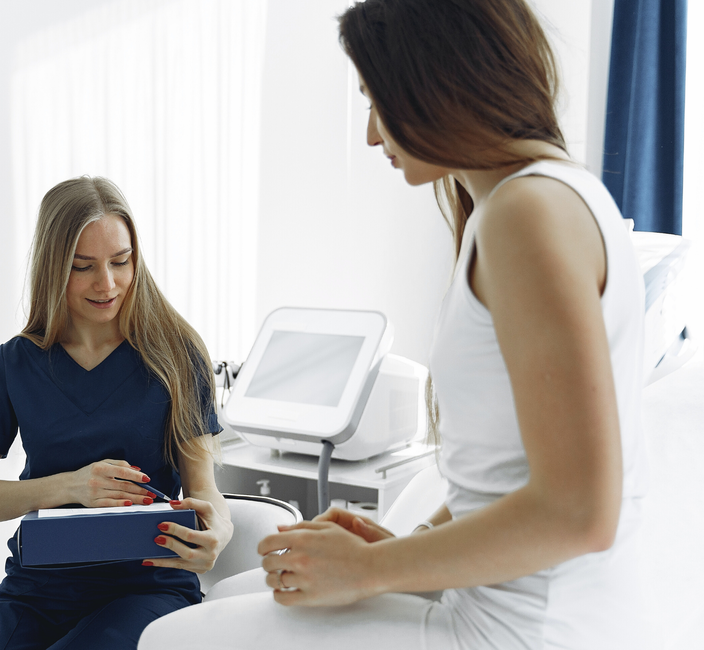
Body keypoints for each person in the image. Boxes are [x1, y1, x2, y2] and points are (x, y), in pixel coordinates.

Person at [138, 0, 651, 648]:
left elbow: (580, 512)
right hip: (503, 608)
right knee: (244, 592)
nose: (372, 136)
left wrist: (371, 569)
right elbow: (504, 476)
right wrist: (408, 547)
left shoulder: (528, 214)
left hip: (522, 632)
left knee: (169, 638)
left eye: (375, 102)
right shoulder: (532, 200)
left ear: (435, 82)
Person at [0, 176, 233, 650]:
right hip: (37, 590)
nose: (108, 283)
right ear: (54, 268)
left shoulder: (177, 354)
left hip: (146, 587)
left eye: (121, 261)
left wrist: (219, 529)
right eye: (83, 267)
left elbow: (205, 492)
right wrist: (70, 486)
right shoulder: (17, 362)